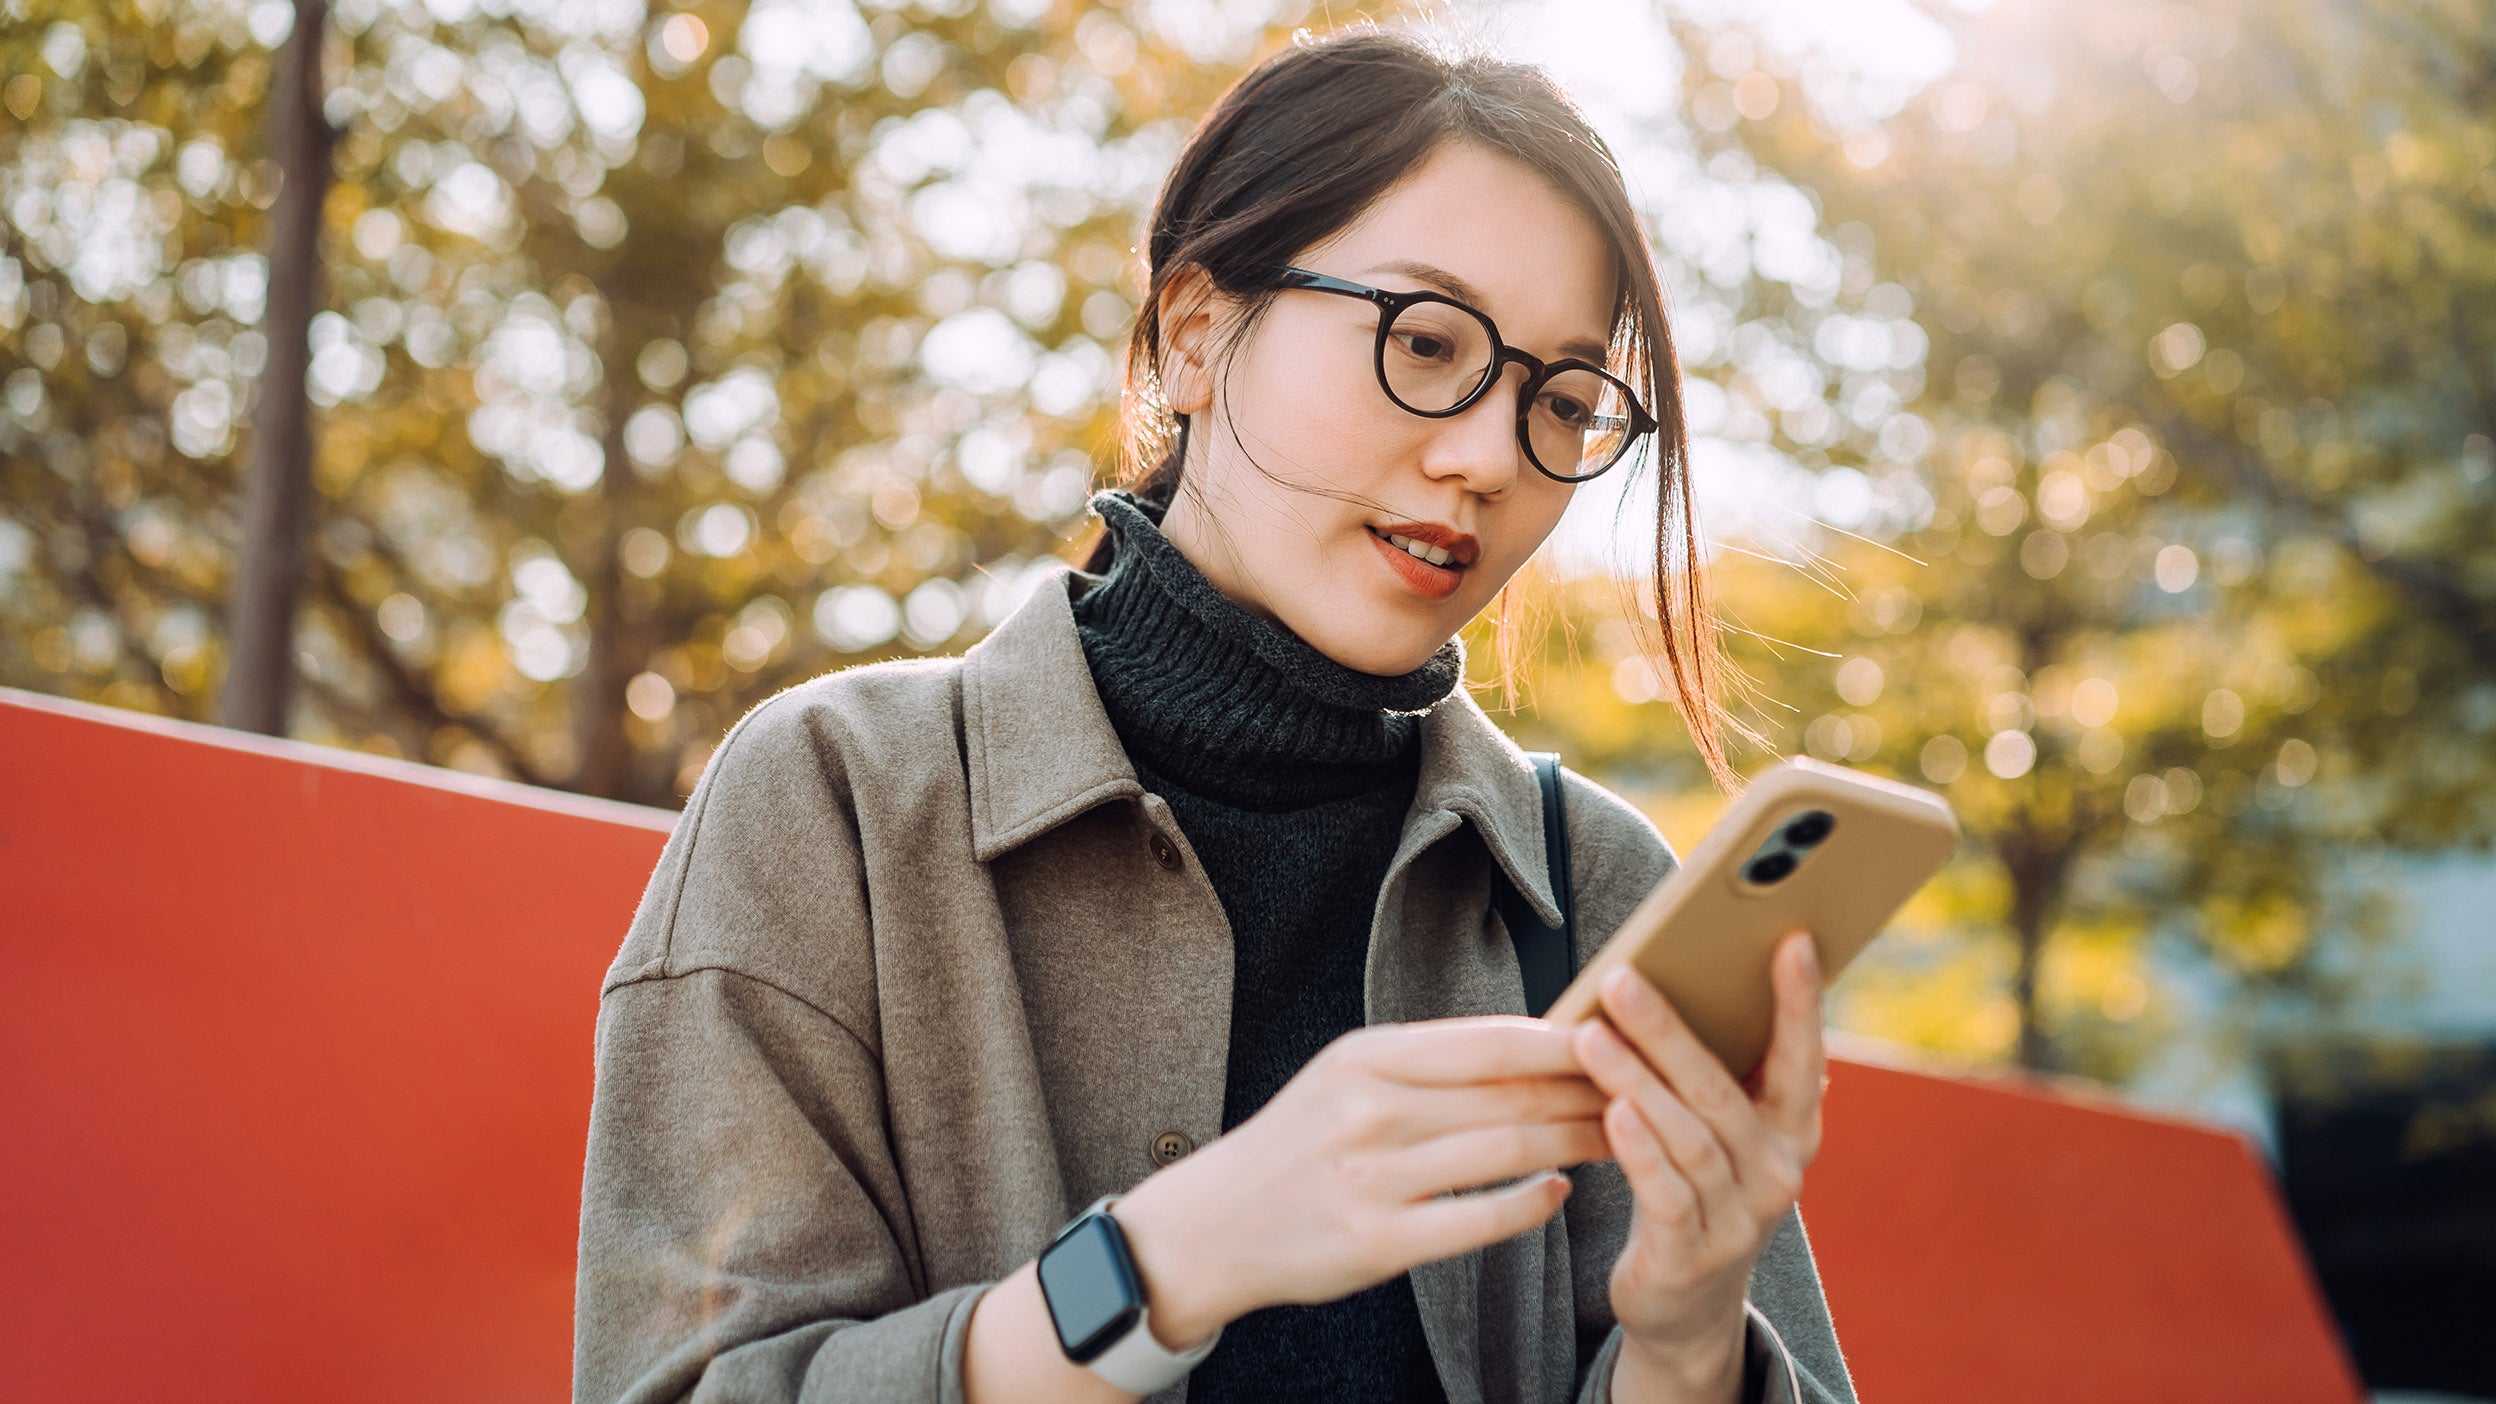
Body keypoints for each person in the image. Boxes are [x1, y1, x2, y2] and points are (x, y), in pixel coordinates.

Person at [574, 26, 1855, 1404]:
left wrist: (1682, 1349)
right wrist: (1165, 1260)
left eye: (1561, 398)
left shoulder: (1597, 897)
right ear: (1193, 333)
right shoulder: (838, 803)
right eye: (1425, 341)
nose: (1490, 455)